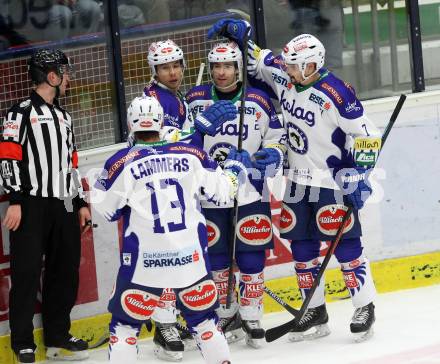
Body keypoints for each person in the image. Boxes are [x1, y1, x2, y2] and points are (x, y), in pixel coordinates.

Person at [208, 19, 381, 343]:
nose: (285, 71)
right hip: (296, 181)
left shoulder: (337, 92)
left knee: (345, 246)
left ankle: (364, 307)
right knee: (301, 247)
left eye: (293, 66)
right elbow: (259, 58)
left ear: (311, 65)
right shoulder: (285, 76)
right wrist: (242, 34)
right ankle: (314, 312)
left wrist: (359, 175)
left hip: (331, 182)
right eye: (285, 65)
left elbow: (368, 135)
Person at [92, 95, 251, 364]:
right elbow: (225, 193)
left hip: (143, 266)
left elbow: (106, 209)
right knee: (205, 324)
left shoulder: (121, 162)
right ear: (162, 122)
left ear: (130, 124)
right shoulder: (192, 155)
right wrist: (234, 168)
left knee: (126, 328)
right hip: (191, 262)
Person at [186, 40, 286, 348]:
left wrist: (271, 154)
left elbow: (278, 138)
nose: (220, 72)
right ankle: (225, 314)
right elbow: (176, 142)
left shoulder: (259, 99)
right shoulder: (194, 99)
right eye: (215, 66)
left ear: (238, 68)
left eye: (227, 66)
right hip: (209, 196)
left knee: (250, 256)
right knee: (217, 259)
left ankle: (252, 314)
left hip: (249, 192)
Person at [144, 38, 238, 360]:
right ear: (154, 70)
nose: (172, 72)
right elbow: (162, 148)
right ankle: (164, 326)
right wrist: (199, 130)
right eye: (164, 67)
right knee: (167, 257)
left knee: (183, 257)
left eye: (175, 65)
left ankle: (175, 320)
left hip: (177, 192)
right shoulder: (156, 102)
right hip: (161, 193)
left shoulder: (175, 97)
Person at [0, 48, 92, 363]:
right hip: (30, 205)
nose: (68, 79)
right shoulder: (19, 112)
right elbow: (8, 156)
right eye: (64, 73)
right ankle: (22, 341)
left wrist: (80, 201)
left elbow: (72, 162)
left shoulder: (65, 117)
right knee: (25, 275)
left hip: (63, 205)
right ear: (51, 77)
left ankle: (57, 337)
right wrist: (15, 200)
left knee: (64, 272)